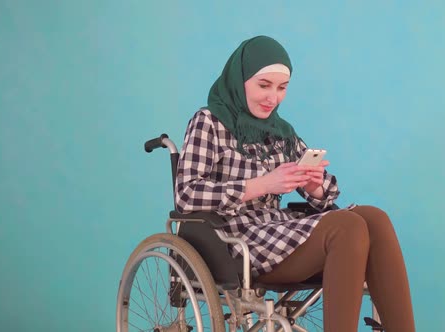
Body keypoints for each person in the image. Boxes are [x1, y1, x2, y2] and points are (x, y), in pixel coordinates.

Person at [175, 35, 415, 332]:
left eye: (282, 88)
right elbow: (186, 195)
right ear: (240, 79)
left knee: (373, 217)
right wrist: (261, 185)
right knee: (347, 226)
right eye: (264, 85)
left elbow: (324, 194)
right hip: (236, 241)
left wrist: (314, 186)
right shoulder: (208, 122)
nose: (272, 98)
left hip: (278, 228)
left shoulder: (281, 131)